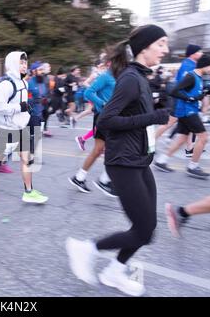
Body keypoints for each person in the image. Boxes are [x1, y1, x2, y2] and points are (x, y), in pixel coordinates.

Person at [66, 24, 170, 296]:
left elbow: (136, 115)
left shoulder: (140, 78)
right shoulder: (130, 78)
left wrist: (158, 108)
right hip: (123, 162)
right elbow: (109, 120)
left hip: (138, 160)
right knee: (143, 229)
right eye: (161, 44)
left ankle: (114, 272)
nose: (165, 50)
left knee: (147, 229)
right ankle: (85, 248)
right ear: (145, 47)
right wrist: (153, 117)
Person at [0, 51, 49, 205]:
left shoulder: (23, 82)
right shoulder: (6, 84)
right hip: (5, 129)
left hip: (21, 127)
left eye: (25, 62)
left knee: (27, 159)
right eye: (21, 63)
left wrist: (26, 110)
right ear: (12, 64)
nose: (24, 65)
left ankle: (28, 192)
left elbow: (22, 105)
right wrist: (19, 107)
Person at [154, 54, 210, 179]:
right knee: (203, 138)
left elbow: (194, 94)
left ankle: (161, 161)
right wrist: (190, 98)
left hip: (188, 111)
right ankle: (193, 166)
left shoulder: (198, 77)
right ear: (204, 65)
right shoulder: (191, 76)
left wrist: (202, 94)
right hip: (187, 112)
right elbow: (174, 91)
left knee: (181, 139)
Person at [68, 56, 117, 198]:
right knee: (111, 149)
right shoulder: (105, 76)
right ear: (109, 63)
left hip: (110, 117)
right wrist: (102, 103)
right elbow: (88, 92)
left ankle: (80, 177)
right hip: (103, 116)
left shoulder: (117, 76)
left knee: (99, 150)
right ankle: (104, 180)